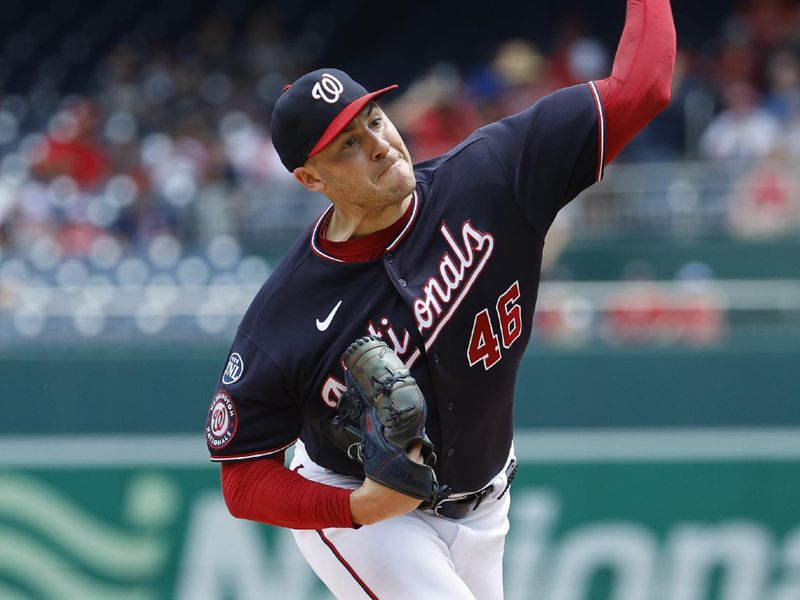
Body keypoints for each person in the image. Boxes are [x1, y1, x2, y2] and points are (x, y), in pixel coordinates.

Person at [205, 1, 675, 597]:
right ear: (311, 179)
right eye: (347, 144)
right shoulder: (286, 315)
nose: (377, 144)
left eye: (373, 118)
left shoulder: (491, 175)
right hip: (373, 520)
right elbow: (243, 480)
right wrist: (356, 507)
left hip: (486, 503)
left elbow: (645, 87)